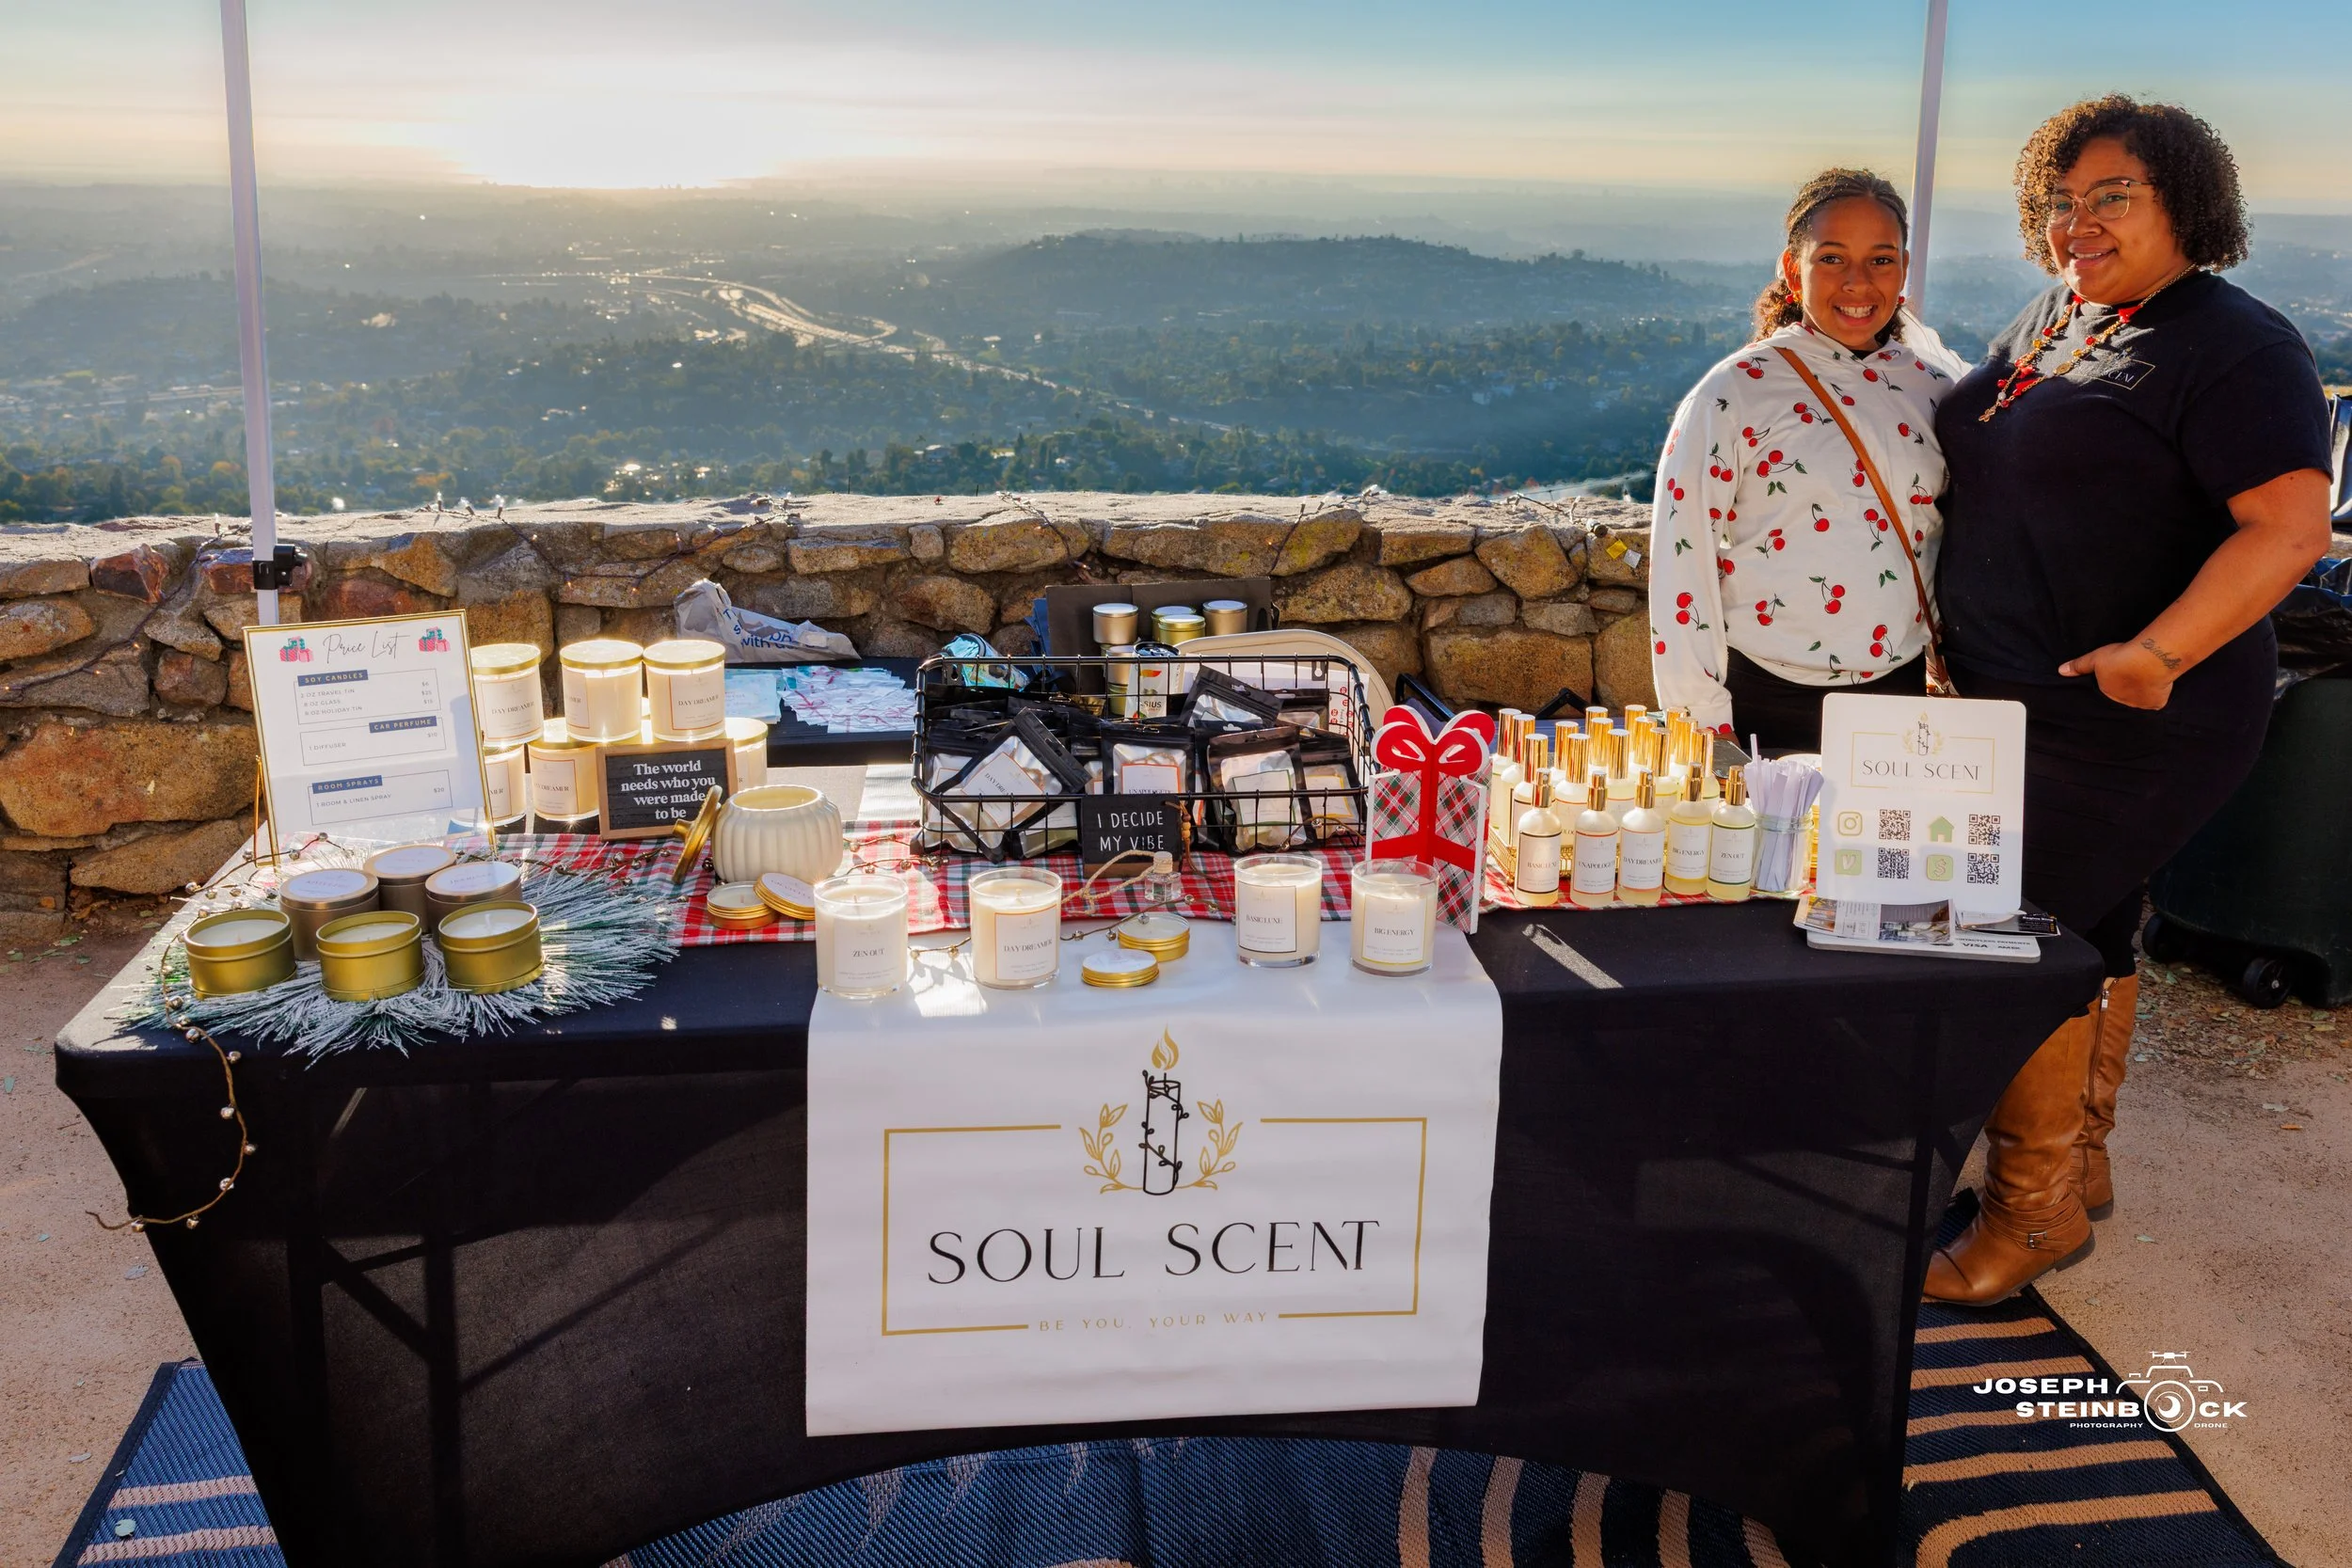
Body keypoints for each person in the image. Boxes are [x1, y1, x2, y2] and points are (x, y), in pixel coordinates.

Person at [1926, 97, 2334, 1305]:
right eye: (2060, 198)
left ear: (2187, 204)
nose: (2077, 220)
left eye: (2113, 195)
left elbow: (2290, 527)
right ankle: (2077, 1165)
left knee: (2010, 933)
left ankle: (2031, 1209)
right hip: (2021, 702)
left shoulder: (2232, 344)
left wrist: (2153, 651)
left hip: (2136, 717)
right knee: (2087, 922)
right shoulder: (2066, 314)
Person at [1648, 169, 1966, 752]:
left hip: (1898, 695)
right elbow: (1681, 550)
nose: (1858, 284)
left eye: (1880, 260)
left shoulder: (1934, 387)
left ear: (1903, 270)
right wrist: (1700, 720)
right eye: (1832, 259)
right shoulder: (1737, 390)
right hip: (1762, 699)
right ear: (1794, 271)